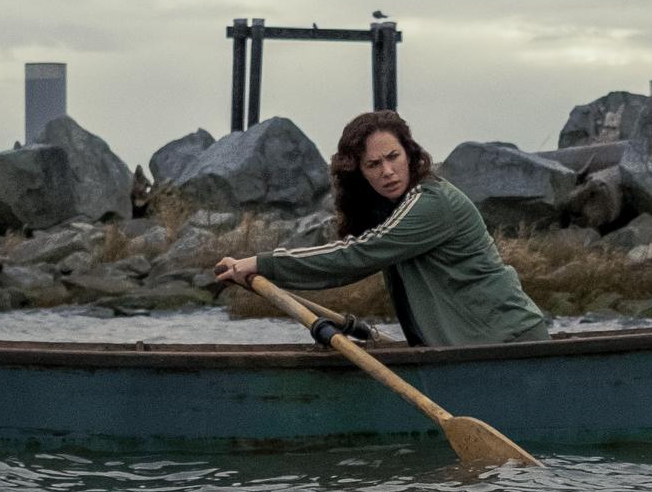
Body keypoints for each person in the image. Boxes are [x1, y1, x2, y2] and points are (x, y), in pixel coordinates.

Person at [208, 110, 551, 346]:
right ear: (359, 173)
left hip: (507, 342)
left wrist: (263, 263)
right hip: (467, 345)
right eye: (373, 164)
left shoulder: (432, 203)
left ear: (410, 155)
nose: (387, 171)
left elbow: (356, 255)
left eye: (393, 157)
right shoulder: (396, 207)